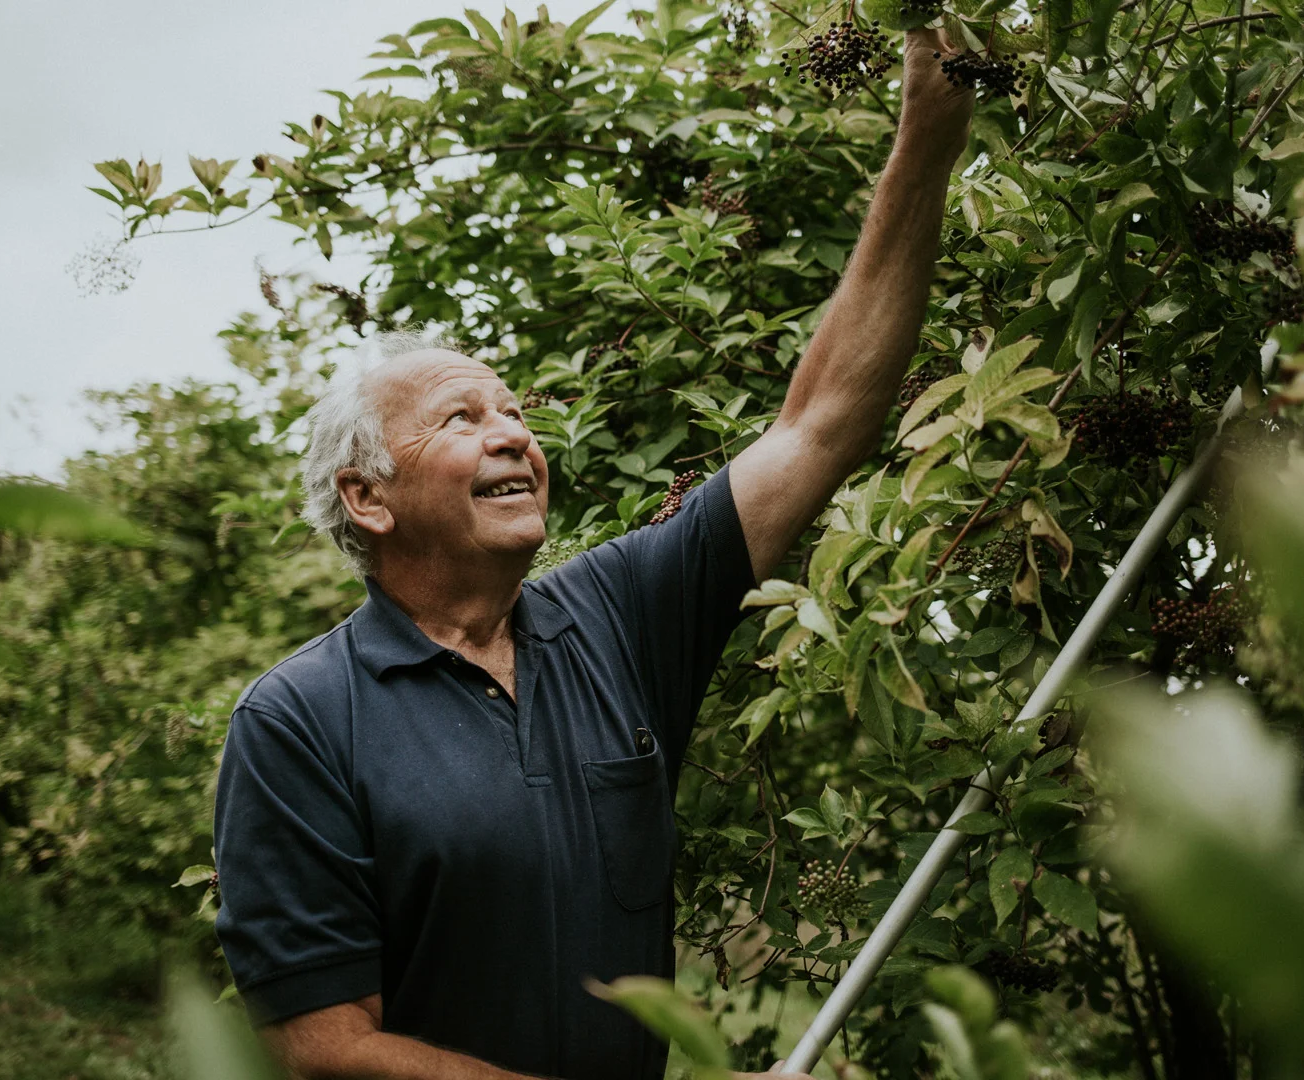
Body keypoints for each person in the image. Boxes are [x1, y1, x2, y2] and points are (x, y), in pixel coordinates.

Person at [212, 25, 975, 1080]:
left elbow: (821, 424)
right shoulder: (300, 721)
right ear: (367, 498)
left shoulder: (615, 615)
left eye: (515, 410)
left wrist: (928, 137)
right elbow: (329, 1048)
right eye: (462, 417)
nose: (515, 432)